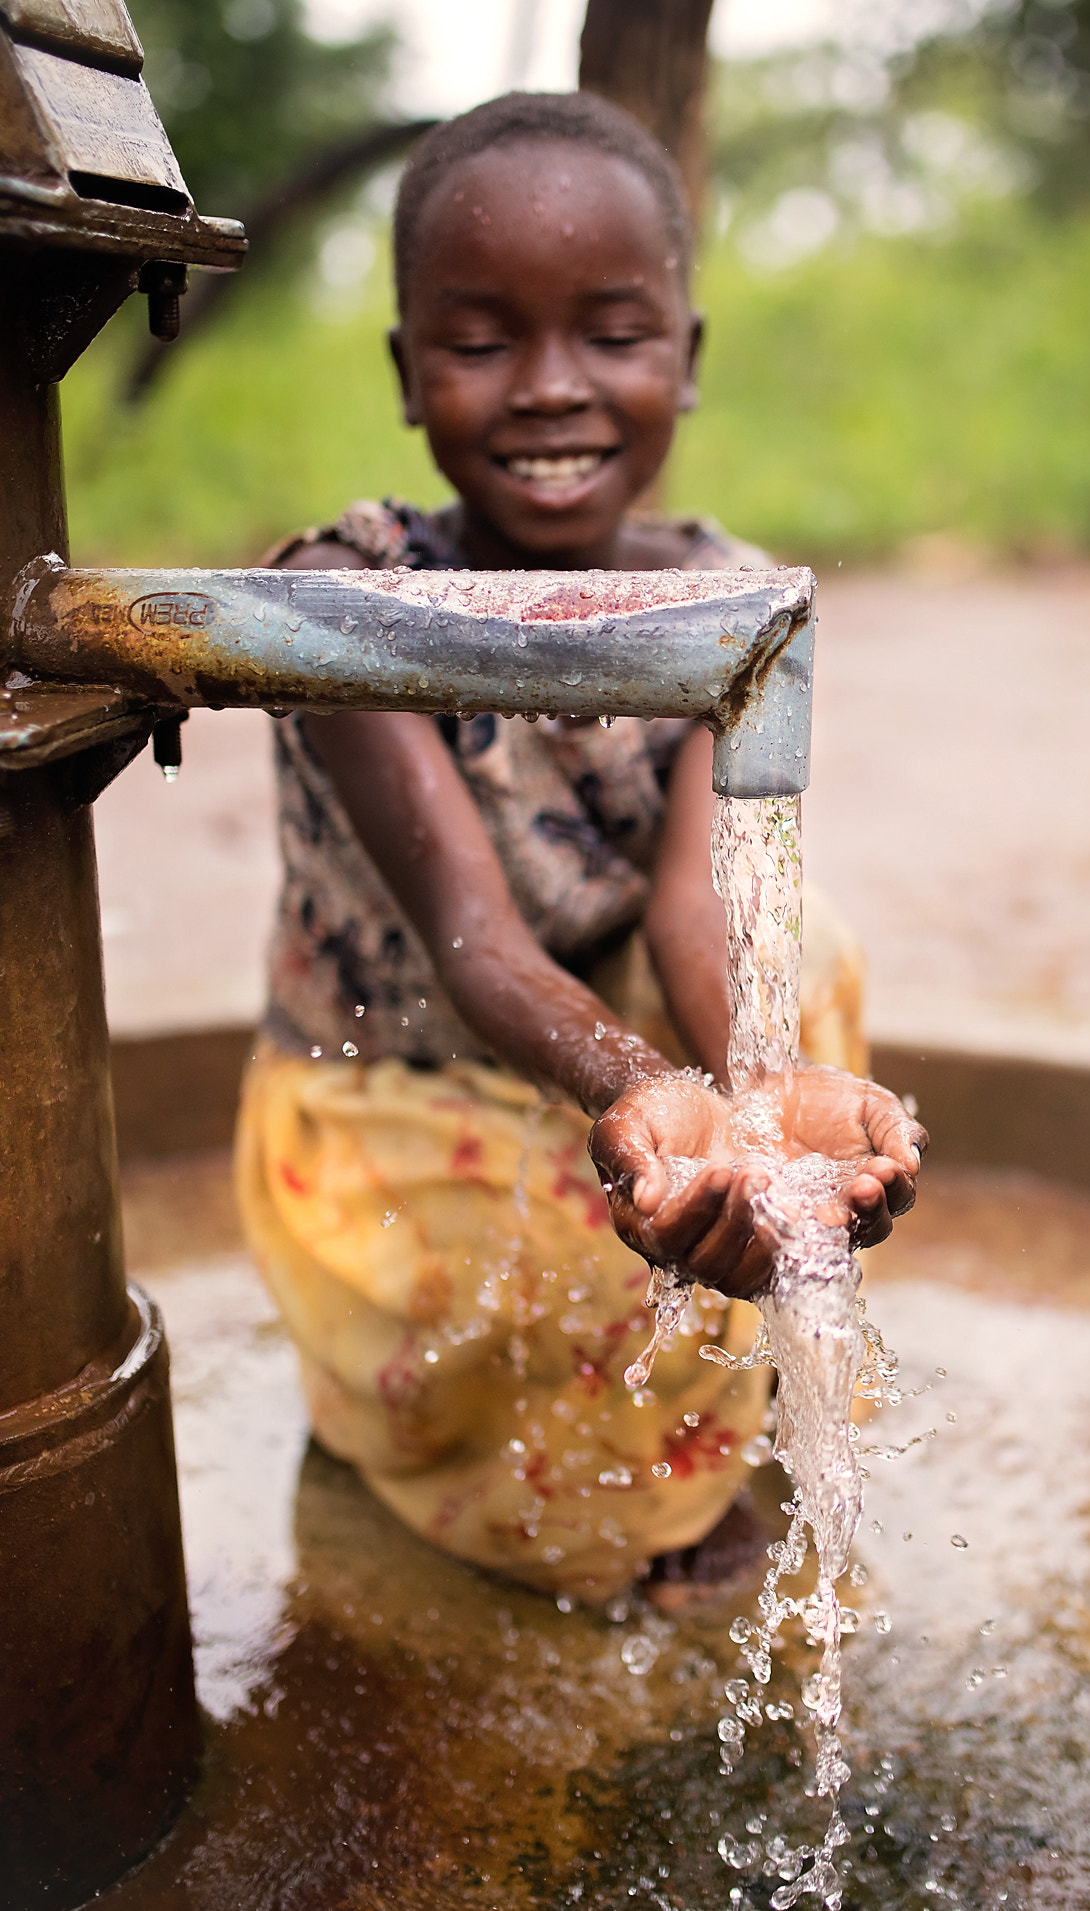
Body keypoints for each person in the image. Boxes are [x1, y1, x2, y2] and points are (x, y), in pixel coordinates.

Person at [234, 91, 926, 1603]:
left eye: (612, 335)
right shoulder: (342, 601)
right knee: (544, 1271)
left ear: (688, 357)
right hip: (408, 1079)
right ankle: (520, 1448)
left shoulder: (734, 608)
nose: (551, 390)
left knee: (798, 957)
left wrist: (745, 1094)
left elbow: (701, 906)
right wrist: (640, 1090)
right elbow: (476, 943)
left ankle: (703, 1372)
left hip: (617, 1030)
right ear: (410, 376)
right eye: (482, 343)